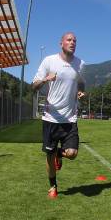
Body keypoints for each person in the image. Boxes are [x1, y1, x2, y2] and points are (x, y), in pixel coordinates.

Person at [32, 32, 85, 199]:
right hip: (51, 118)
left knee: (72, 153)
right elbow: (33, 86)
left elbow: (81, 81)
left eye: (75, 40)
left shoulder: (80, 64)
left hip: (70, 119)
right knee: (49, 156)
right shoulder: (49, 61)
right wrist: (46, 79)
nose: (72, 42)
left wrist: (81, 90)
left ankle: (58, 154)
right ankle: (53, 185)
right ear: (61, 43)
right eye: (69, 40)